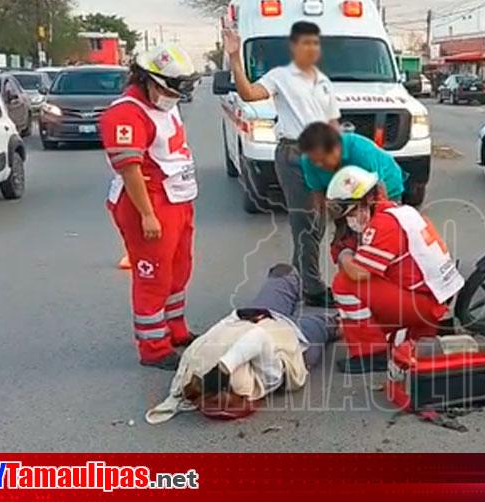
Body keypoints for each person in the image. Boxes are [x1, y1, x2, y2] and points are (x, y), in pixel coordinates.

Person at [223, 22, 340, 307]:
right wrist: (235, 57)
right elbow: (249, 93)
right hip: (294, 153)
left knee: (319, 225)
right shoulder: (280, 76)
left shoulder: (322, 81)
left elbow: (332, 121)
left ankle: (299, 280)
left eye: (315, 43)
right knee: (305, 224)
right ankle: (311, 289)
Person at [99, 44, 201, 370]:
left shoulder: (164, 105)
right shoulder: (126, 113)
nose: (176, 95)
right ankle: (153, 347)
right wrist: (147, 214)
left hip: (177, 198)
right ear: (150, 81)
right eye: (171, 88)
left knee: (178, 270)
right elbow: (130, 169)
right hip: (148, 202)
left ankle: (175, 330)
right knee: (152, 276)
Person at [145, 264, 340, 424]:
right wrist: (224, 368)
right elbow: (259, 338)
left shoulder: (193, 373)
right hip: (292, 342)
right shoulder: (266, 379)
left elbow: (209, 339)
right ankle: (340, 320)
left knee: (284, 273)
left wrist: (173, 399)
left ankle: (317, 304)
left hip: (254, 317)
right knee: (326, 324)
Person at [327, 167, 464, 374]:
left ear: (366, 203)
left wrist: (344, 254)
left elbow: (358, 273)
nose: (350, 218)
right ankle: (406, 336)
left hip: (425, 303)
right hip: (433, 299)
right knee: (357, 312)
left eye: (352, 211)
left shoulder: (383, 224)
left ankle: (372, 353)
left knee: (344, 284)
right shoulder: (399, 212)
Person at [298, 122, 407, 207]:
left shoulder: (361, 153)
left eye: (322, 160)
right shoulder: (308, 160)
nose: (318, 165)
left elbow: (379, 194)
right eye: (314, 160)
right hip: (346, 194)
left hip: (385, 185)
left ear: (336, 149)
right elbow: (318, 194)